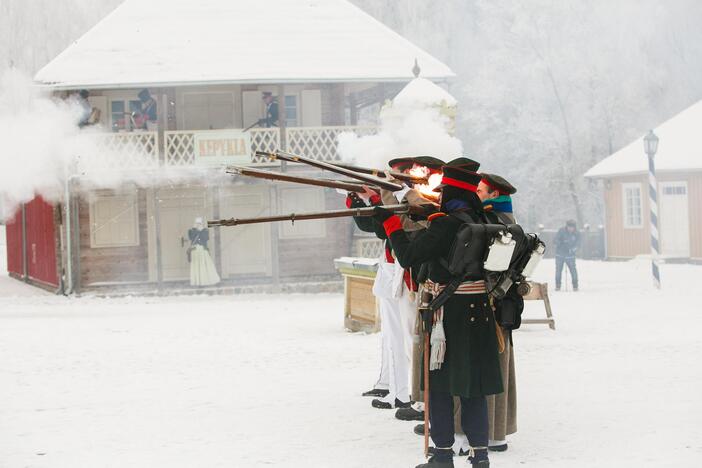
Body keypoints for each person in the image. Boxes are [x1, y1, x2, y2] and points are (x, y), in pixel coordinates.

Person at [374, 165, 503, 467]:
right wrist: (425, 219)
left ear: (453, 193)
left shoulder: (446, 225)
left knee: (441, 387)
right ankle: (480, 457)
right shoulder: (486, 219)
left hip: (449, 315)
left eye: (444, 192)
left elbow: (407, 256)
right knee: (474, 389)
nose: (440, 196)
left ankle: (443, 455)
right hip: (480, 312)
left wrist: (392, 223)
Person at [349, 156, 424, 410]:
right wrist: (364, 199)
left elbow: (390, 228)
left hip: (406, 275)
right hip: (395, 272)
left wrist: (378, 198)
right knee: (395, 339)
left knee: (409, 340)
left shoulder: (414, 199)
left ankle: (410, 394)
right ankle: (400, 391)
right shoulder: (400, 198)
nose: (389, 179)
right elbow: (374, 224)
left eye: (394, 176)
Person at [477, 173, 520, 452]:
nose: (476, 194)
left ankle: (493, 434)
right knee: (499, 368)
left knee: (491, 369)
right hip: (501, 304)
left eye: (480, 190)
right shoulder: (504, 222)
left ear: (494, 195)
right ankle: (497, 434)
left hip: (492, 304)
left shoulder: (498, 225)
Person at [188, 217, 221, 287]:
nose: (198, 224)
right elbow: (191, 237)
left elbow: (205, 238)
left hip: (203, 250)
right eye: (197, 223)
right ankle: (198, 282)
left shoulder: (205, 231)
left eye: (199, 223)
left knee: (205, 265)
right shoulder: (191, 231)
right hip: (195, 250)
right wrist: (194, 229)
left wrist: (201, 230)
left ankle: (206, 280)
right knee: (196, 266)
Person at [554, 219, 580, 291]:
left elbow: (578, 244)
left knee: (573, 270)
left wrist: (572, 249)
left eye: (572, 227)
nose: (570, 229)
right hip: (560, 255)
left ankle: (575, 285)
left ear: (574, 227)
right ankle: (558, 285)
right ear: (567, 226)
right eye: (569, 227)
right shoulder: (561, 231)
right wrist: (561, 244)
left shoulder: (577, 233)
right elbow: (555, 240)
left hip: (570, 255)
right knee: (558, 271)